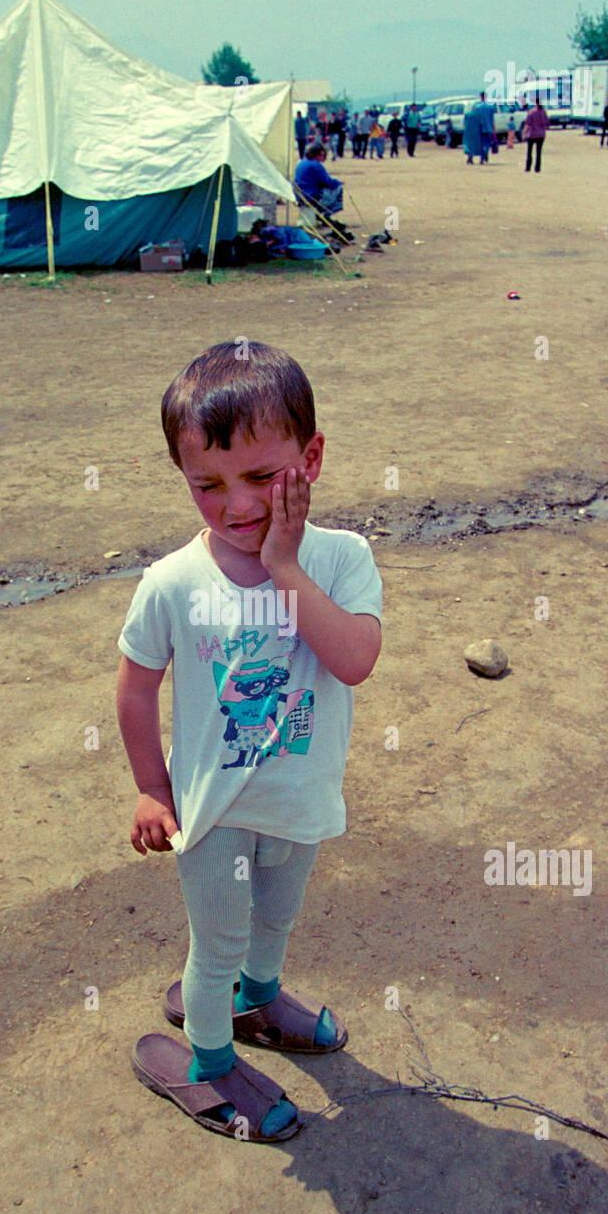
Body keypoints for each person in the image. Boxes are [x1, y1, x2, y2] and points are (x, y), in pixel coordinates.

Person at [118, 341, 383, 1142]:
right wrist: (152, 787)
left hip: (299, 801)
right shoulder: (173, 582)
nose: (236, 506)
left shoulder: (340, 561)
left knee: (276, 920)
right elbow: (135, 686)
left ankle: (258, 999)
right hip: (216, 811)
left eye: (262, 478)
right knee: (218, 941)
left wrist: (285, 567)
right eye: (208, 485)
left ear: (311, 458)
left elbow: (355, 659)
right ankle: (206, 1061)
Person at [291, 141, 353, 240]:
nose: (321, 158)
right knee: (338, 189)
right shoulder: (316, 165)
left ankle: (322, 214)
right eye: (320, 155)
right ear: (315, 154)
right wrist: (339, 182)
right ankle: (325, 213)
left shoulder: (301, 162)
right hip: (310, 195)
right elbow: (328, 181)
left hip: (300, 194)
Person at [523, 96, 549, 171]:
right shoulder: (543, 112)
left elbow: (527, 124)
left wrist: (524, 133)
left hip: (532, 134)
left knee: (529, 151)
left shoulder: (531, 112)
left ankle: (528, 167)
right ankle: (537, 167)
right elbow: (546, 123)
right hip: (541, 134)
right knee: (539, 152)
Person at [475, 92, 495, 163]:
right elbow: (492, 120)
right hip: (489, 128)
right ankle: (486, 153)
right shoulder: (490, 107)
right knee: (488, 144)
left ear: (481, 97)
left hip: (480, 129)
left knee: (481, 144)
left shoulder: (478, 107)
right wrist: (494, 130)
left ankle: (481, 158)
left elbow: (476, 119)